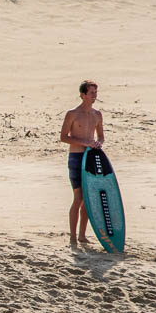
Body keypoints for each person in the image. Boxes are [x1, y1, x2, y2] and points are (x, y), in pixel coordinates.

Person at [60, 80, 104, 245]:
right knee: (78, 198)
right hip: (76, 158)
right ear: (83, 95)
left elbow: (100, 136)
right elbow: (64, 137)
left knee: (88, 199)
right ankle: (72, 237)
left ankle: (82, 235)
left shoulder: (97, 114)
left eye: (96, 93)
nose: (94, 96)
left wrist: (98, 143)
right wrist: (85, 142)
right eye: (91, 93)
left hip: (91, 158)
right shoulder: (72, 113)